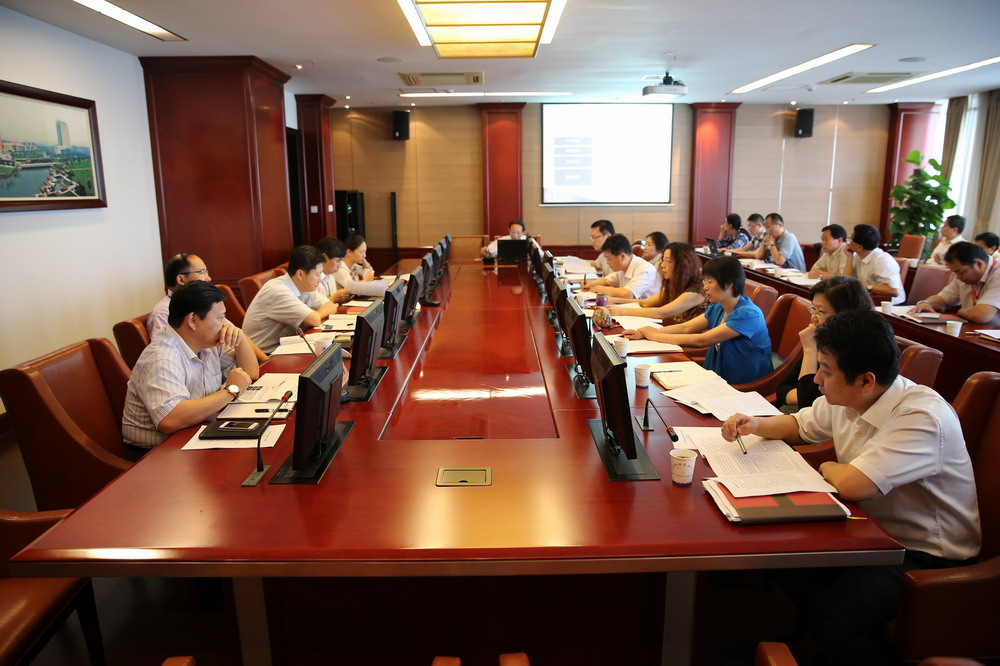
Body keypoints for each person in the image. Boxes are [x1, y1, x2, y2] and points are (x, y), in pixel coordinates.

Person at [721, 310, 980, 664]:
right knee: (785, 560)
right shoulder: (850, 396)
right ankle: (811, 643)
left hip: (925, 552)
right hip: (872, 530)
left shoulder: (921, 416)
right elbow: (798, 425)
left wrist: (828, 466)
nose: (818, 379)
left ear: (865, 381)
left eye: (826, 370)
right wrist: (753, 424)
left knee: (831, 621)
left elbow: (853, 485)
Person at [122, 281, 261, 459]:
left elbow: (250, 373)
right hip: (155, 455)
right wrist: (230, 391)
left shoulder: (207, 343)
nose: (225, 324)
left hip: (193, 435)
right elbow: (170, 420)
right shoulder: (162, 356)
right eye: (220, 318)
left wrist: (238, 338)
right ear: (193, 320)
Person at [621, 255, 771, 384]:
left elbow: (701, 340)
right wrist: (645, 332)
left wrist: (654, 335)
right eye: (704, 282)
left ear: (729, 284)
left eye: (710, 282)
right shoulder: (718, 306)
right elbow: (685, 328)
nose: (705, 287)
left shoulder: (748, 314)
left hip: (744, 384)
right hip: (719, 378)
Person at [147, 252, 267, 362]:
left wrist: (265, 361)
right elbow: (167, 349)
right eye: (202, 272)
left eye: (206, 271)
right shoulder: (162, 312)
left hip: (225, 360)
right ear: (181, 279)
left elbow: (236, 334)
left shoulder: (204, 303)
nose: (208, 278)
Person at [775, 276, 873, 410]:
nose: (813, 318)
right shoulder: (825, 339)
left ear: (846, 314)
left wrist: (810, 349)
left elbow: (808, 404)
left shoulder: (857, 351)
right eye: (813, 309)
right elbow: (782, 388)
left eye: (820, 312)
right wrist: (803, 395)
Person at [242, 245, 339, 354]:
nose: (320, 280)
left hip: (284, 347)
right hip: (264, 355)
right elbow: (314, 320)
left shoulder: (303, 286)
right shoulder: (278, 291)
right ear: (300, 274)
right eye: (318, 274)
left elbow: (330, 305)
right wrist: (312, 316)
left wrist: (314, 315)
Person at [607, 242, 707, 324]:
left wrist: (621, 311)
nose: (662, 265)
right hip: (673, 331)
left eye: (668, 261)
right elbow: (645, 303)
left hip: (690, 337)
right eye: (663, 260)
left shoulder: (695, 291)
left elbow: (661, 313)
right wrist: (614, 300)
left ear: (684, 265)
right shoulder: (675, 284)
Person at [912, 241, 1000, 327]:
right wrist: (926, 303)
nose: (957, 277)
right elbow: (942, 299)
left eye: (960, 272)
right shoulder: (963, 276)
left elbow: (981, 315)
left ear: (979, 264)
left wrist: (961, 311)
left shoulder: (998, 272)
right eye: (955, 272)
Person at [580, 233, 660, 299]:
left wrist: (600, 289)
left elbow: (628, 294)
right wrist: (591, 284)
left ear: (622, 256)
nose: (607, 263)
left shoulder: (645, 269)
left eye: (609, 259)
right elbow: (607, 280)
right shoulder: (624, 268)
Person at [842, 223, 906, 305]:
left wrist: (865, 285)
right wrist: (849, 257)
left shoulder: (882, 260)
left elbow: (894, 291)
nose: (848, 243)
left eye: (850, 239)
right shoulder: (858, 255)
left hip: (891, 305)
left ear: (859, 247)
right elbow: (847, 281)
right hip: (869, 300)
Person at [315, 236, 352, 304]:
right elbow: (312, 306)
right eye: (338, 261)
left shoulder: (331, 276)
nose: (340, 265)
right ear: (324, 257)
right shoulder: (313, 277)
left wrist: (339, 298)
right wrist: (333, 299)